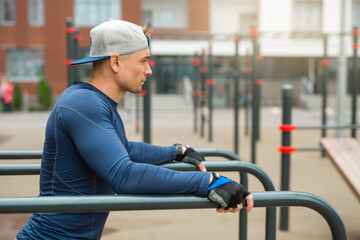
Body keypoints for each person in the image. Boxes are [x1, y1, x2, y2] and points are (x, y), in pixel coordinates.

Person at [16, 20, 253, 239]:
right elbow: (123, 174)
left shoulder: (96, 102)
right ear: (116, 62)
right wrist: (209, 182)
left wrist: (177, 152)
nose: (149, 70)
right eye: (143, 61)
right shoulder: (82, 103)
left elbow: (125, 150)